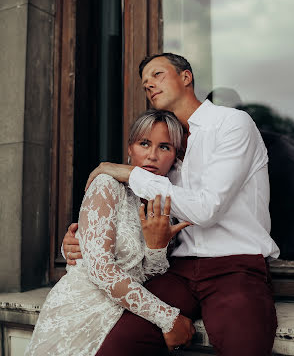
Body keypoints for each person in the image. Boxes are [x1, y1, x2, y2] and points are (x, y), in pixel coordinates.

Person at [64, 53, 280, 356]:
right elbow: (128, 216)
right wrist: (81, 239)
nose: (149, 84)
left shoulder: (231, 124)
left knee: (245, 347)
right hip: (176, 270)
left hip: (236, 266)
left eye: (157, 75)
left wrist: (129, 172)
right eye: (144, 83)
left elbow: (206, 210)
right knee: (118, 346)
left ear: (186, 77)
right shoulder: (165, 150)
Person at [25, 110, 195, 356]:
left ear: (175, 157)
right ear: (130, 148)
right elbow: (100, 270)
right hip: (78, 314)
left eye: (164, 147)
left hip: (122, 315)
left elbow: (148, 274)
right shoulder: (107, 184)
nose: (152, 155)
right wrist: (167, 318)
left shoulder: (168, 204)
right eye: (144, 143)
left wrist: (156, 247)